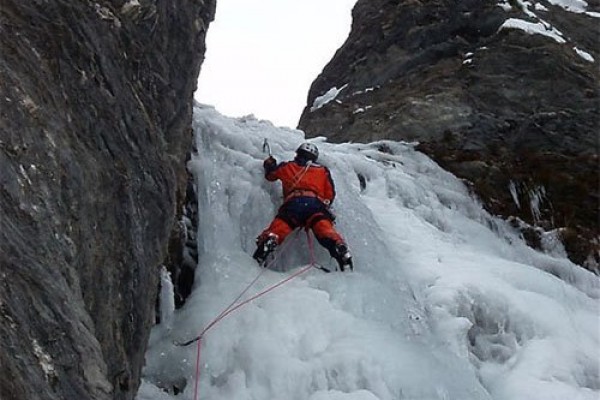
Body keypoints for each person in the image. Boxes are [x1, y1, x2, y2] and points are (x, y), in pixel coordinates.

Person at [253, 142, 353, 271]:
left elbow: (271, 175)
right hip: (315, 205)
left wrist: (269, 164)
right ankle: (338, 245)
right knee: (324, 228)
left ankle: (271, 239)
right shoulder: (322, 171)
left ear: (298, 153)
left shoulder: (288, 166)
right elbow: (330, 195)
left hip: (294, 203)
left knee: (281, 225)